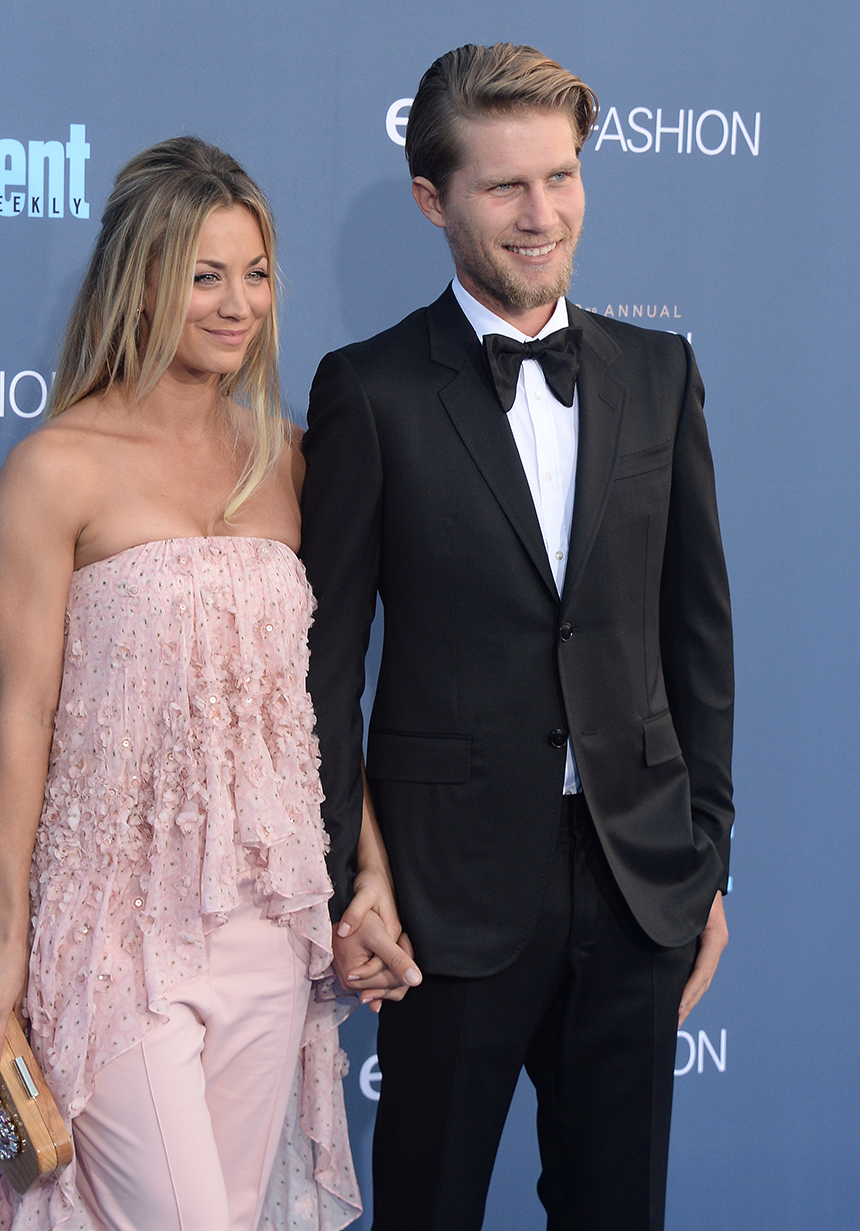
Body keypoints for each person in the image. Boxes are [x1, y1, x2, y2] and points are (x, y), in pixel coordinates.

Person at [300, 43, 734, 1231]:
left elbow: (697, 634)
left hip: (638, 879)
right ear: (432, 202)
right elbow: (321, 673)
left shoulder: (659, 372)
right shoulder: (369, 390)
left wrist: (704, 857)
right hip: (443, 902)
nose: (543, 215)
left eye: (562, 176)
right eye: (505, 186)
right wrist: (348, 881)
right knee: (429, 1207)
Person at [0, 136, 365, 1231]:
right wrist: (2, 938)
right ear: (142, 279)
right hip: (114, 927)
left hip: (269, 918)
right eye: (205, 275)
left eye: (256, 273)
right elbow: (23, 719)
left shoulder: (291, 458)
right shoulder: (56, 468)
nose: (238, 305)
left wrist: (369, 873)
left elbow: (312, 704)